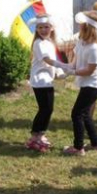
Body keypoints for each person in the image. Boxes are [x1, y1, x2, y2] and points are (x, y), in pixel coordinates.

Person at [49, 12, 97, 155]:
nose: (78, 26)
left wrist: (71, 73)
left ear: (88, 27)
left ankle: (78, 148)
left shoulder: (95, 48)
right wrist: (65, 67)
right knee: (85, 114)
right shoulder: (81, 40)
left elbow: (90, 70)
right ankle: (95, 144)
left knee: (77, 114)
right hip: (87, 83)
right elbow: (75, 61)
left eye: (81, 24)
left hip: (94, 85)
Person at [26, 15, 59, 152]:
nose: (43, 30)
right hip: (40, 80)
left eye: (46, 27)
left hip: (47, 80)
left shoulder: (49, 42)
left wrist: (59, 71)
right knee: (45, 109)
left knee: (48, 109)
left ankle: (40, 134)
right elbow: (47, 60)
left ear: (51, 28)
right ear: (36, 29)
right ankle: (35, 136)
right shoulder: (38, 43)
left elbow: (53, 60)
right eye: (40, 27)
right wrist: (65, 66)